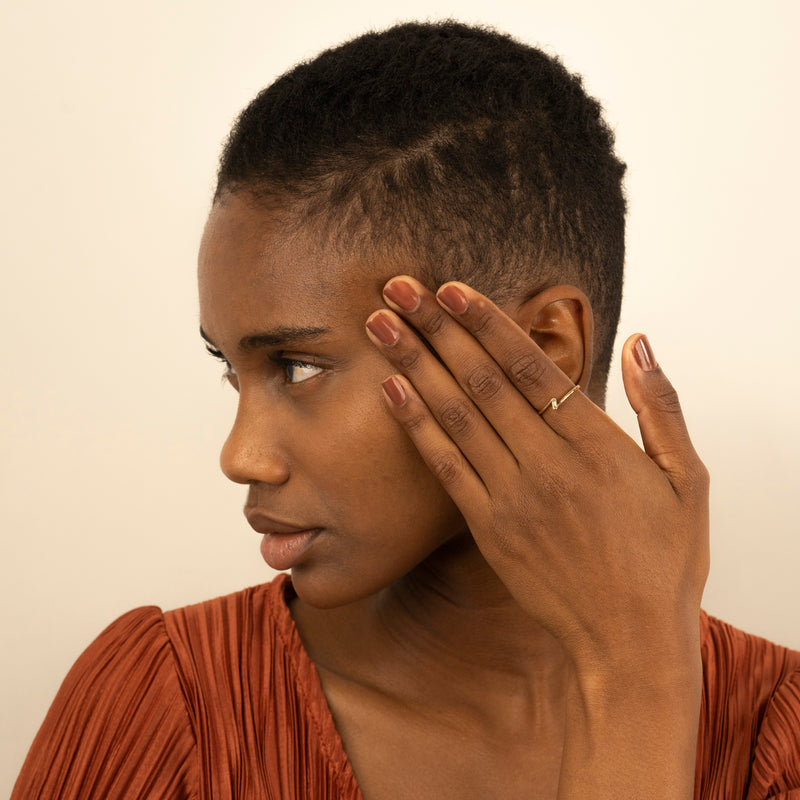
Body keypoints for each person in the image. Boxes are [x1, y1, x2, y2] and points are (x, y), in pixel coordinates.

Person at [12, 20, 800, 800]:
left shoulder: (778, 739)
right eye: (231, 368)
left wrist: (633, 672)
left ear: (544, 347)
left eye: (298, 366)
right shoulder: (166, 708)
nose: (240, 456)